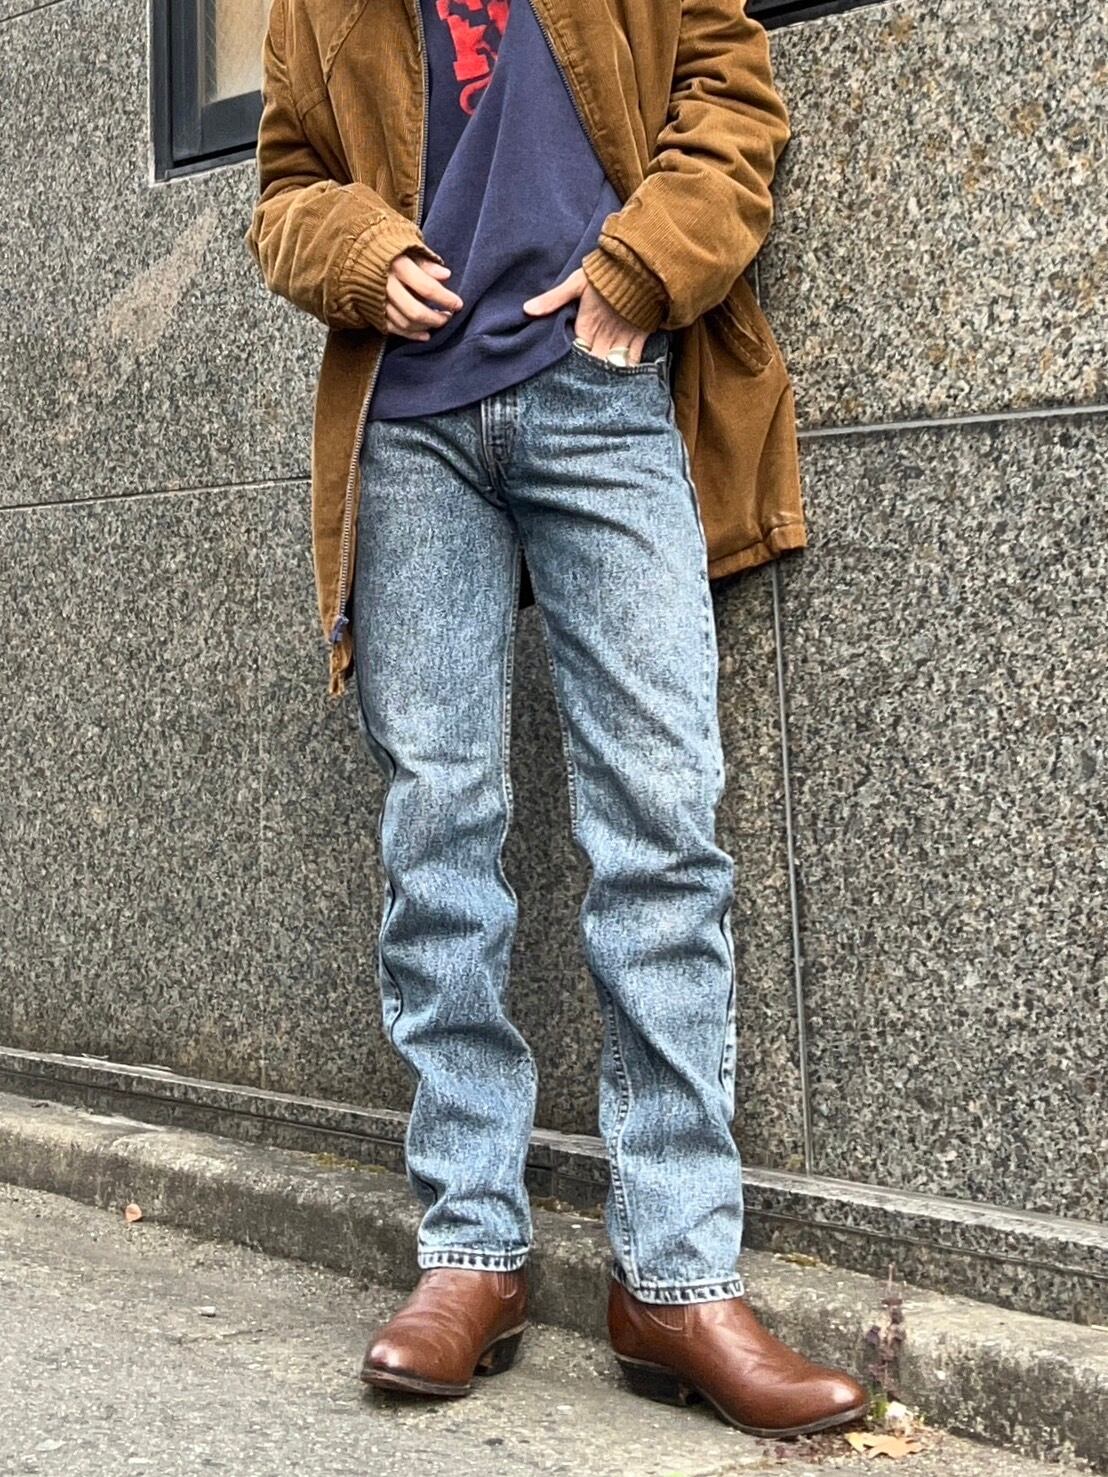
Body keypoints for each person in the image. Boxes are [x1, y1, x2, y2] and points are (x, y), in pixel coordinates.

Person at [246, 0, 865, 1437]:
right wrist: (358, 253)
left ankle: (678, 1275)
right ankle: (470, 1250)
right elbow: (283, 189)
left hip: (604, 388)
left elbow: (732, 97)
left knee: (662, 826)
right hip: (410, 423)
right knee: (439, 835)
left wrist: (643, 270)